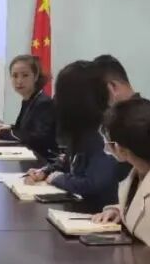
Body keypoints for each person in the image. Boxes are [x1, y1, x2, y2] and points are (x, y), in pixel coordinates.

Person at [24, 60, 128, 211]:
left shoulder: (103, 132)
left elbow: (94, 183)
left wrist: (58, 179)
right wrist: (45, 171)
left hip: (99, 213)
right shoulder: (81, 130)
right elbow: (69, 161)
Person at [92, 97, 150, 260]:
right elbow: (140, 206)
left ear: (121, 149)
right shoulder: (140, 171)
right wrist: (118, 211)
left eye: (110, 142)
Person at [0, 54, 57, 160]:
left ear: (35, 76)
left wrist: (2, 134)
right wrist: (8, 127)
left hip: (42, 161)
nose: (19, 81)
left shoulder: (43, 103)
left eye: (25, 75)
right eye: (15, 76)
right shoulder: (29, 99)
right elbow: (24, 129)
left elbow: (37, 138)